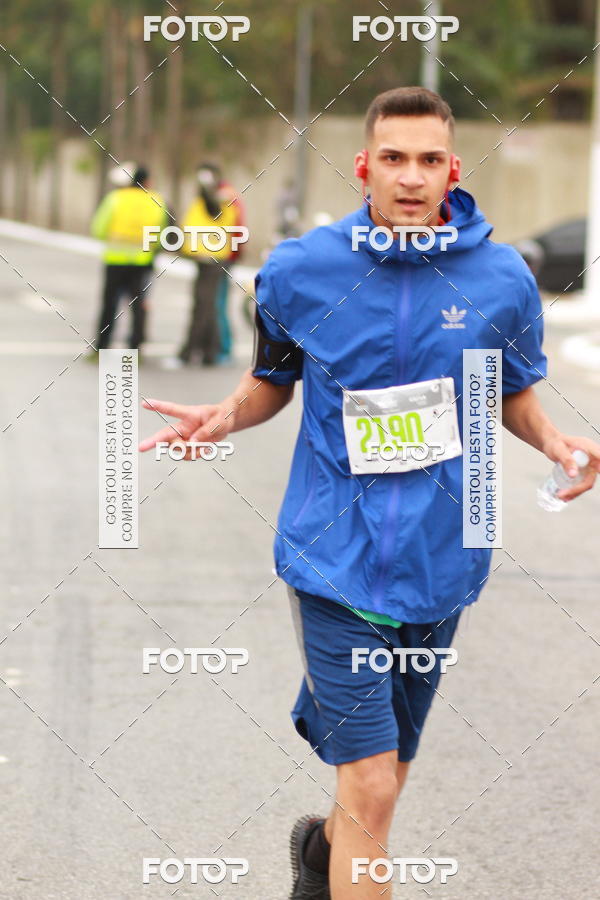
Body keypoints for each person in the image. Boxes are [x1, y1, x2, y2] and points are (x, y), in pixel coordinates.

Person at [139, 87, 600, 898]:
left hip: (442, 560)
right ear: (364, 167)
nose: (412, 177)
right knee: (374, 786)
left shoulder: (501, 279)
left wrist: (559, 441)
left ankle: (322, 856)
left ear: (453, 168)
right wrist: (222, 416)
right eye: (394, 158)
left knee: (387, 778)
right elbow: (271, 380)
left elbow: (510, 390)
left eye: (429, 160)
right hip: (332, 558)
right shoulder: (301, 272)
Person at [91, 164, 168, 355]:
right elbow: (162, 233)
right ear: (147, 181)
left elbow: (98, 228)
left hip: (115, 260)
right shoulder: (156, 200)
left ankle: (102, 344)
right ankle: (136, 344)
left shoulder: (115, 198)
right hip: (142, 262)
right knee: (138, 304)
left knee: (109, 303)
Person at [172, 163, 242, 367]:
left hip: (213, 259)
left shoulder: (221, 199)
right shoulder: (209, 200)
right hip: (205, 259)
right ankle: (206, 352)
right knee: (204, 305)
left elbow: (214, 210)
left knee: (206, 307)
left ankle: (197, 352)